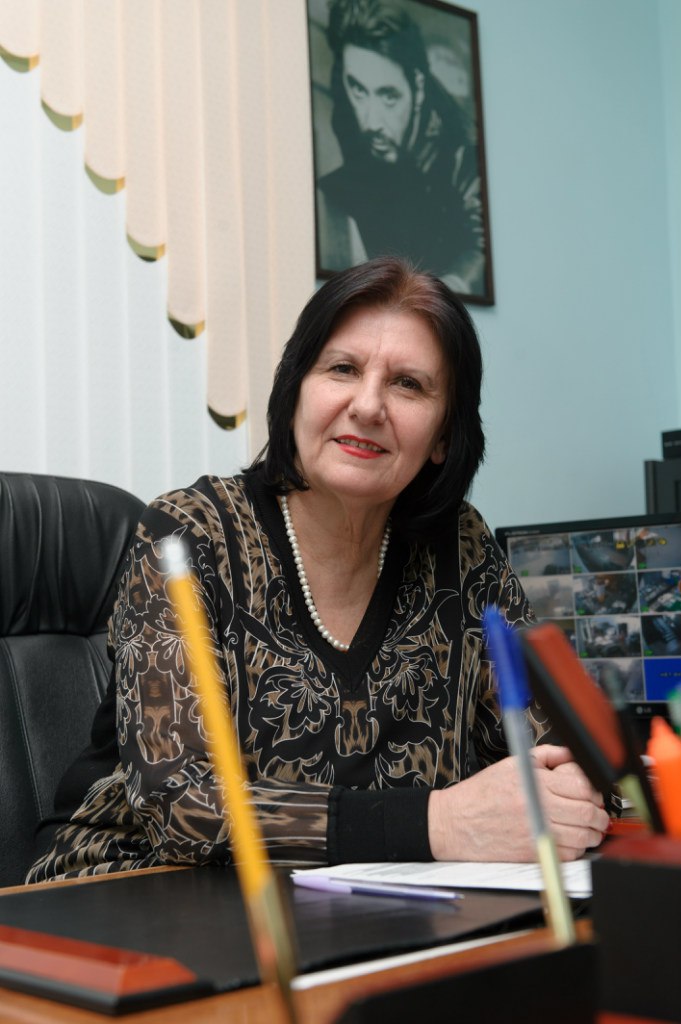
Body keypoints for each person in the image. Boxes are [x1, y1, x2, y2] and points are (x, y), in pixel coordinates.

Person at [27, 257, 608, 882]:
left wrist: (577, 785)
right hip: (131, 889)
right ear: (295, 391)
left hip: (367, 898)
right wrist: (439, 822)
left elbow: (556, 748)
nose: (368, 405)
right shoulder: (189, 534)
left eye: (408, 384)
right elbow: (184, 807)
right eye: (342, 369)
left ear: (444, 435)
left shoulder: (461, 548)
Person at [316, 0, 487, 297]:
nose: (371, 121)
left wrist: (447, 293)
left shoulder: (460, 148)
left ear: (418, 88)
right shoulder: (348, 116)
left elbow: (478, 243)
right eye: (358, 89)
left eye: (389, 97)